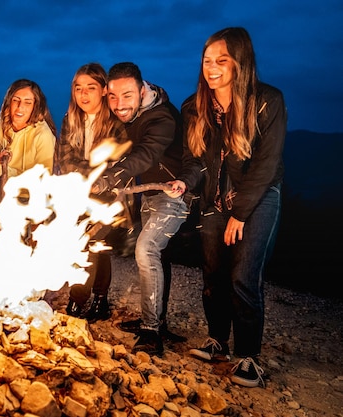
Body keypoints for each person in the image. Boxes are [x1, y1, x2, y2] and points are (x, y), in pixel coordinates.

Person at [168, 27, 286, 387]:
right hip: (213, 201)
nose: (212, 67)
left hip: (259, 196)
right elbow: (194, 160)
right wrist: (185, 182)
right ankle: (218, 340)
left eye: (222, 60)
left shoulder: (267, 100)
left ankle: (249, 356)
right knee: (212, 274)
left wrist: (240, 214)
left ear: (240, 62)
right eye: (207, 60)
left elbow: (266, 165)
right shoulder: (194, 106)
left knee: (242, 277)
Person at [92, 62, 190, 356]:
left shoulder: (162, 117)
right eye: (113, 96)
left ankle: (151, 333)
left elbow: (147, 153)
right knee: (159, 255)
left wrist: (112, 176)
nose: (119, 104)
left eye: (126, 96)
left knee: (145, 249)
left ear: (142, 90)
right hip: (148, 194)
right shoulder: (131, 115)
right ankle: (157, 320)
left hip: (174, 194)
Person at [55, 63, 128, 322]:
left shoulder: (115, 123)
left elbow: (111, 164)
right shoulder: (70, 119)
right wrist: (84, 175)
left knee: (88, 241)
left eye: (91, 88)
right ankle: (100, 299)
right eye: (78, 89)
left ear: (103, 90)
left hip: (110, 195)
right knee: (97, 246)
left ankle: (78, 299)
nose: (84, 95)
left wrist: (91, 174)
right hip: (77, 192)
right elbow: (65, 159)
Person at [0, 79, 57, 216]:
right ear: (9, 101)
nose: (20, 107)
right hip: (7, 195)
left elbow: (43, 179)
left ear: (35, 106)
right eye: (16, 100)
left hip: (36, 198)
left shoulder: (42, 134)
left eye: (27, 102)